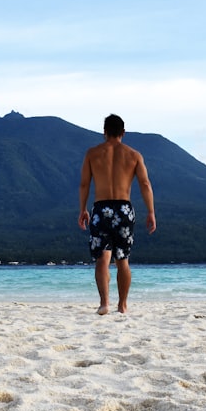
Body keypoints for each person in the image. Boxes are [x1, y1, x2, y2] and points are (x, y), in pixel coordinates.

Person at [78, 114, 156, 314]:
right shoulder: (134, 155)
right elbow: (145, 184)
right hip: (124, 209)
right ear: (123, 132)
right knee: (123, 260)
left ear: (104, 132)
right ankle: (122, 305)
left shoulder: (92, 154)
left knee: (102, 259)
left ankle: (104, 303)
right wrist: (151, 212)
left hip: (100, 208)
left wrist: (83, 209)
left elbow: (84, 183)